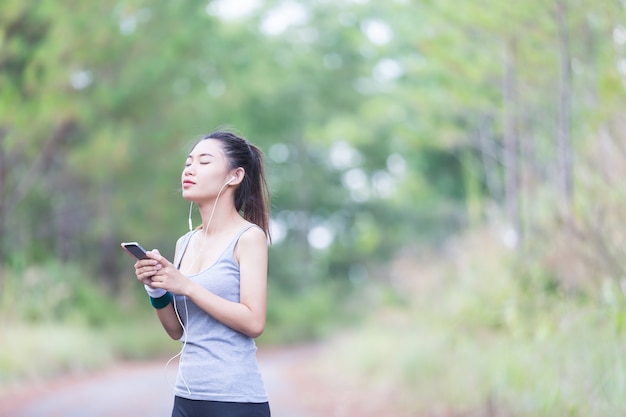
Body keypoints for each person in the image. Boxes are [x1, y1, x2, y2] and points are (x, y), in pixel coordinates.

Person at [131, 130, 272, 417]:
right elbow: (177, 331)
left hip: (234, 400)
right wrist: (157, 289)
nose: (190, 170)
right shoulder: (185, 243)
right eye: (188, 163)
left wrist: (187, 286)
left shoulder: (248, 237)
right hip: (186, 397)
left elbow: (254, 321)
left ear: (234, 176)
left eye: (204, 162)